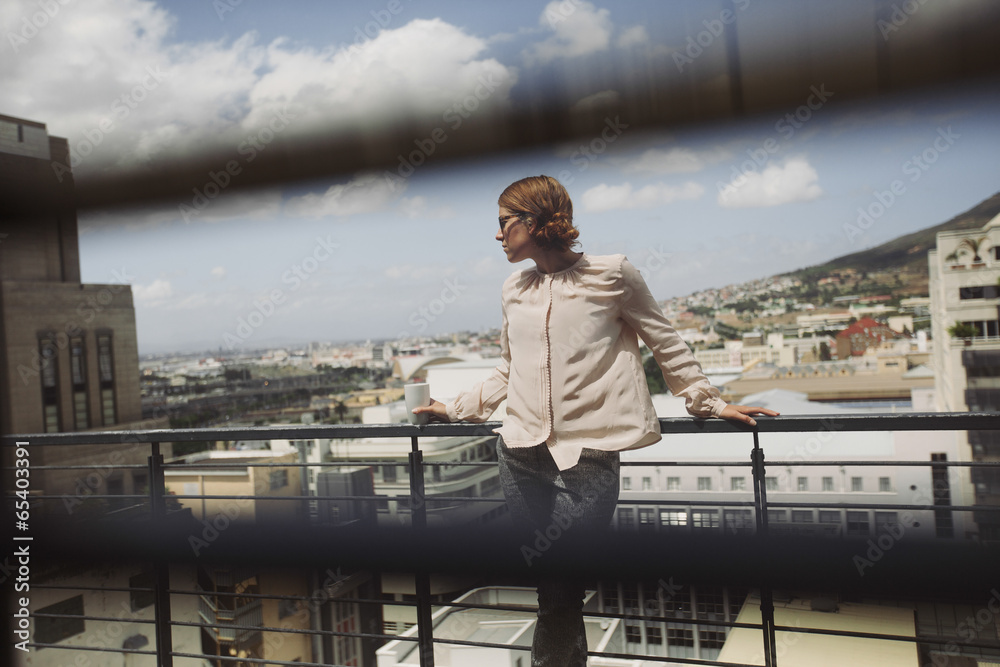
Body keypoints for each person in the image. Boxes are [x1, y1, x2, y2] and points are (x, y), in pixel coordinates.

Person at [412, 175, 778, 666]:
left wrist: (708, 403)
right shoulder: (514, 287)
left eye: (504, 223)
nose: (497, 236)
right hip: (519, 455)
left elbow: (664, 343)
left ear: (536, 221)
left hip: (586, 458)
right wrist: (454, 408)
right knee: (552, 589)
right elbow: (509, 366)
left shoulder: (613, 274)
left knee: (561, 586)